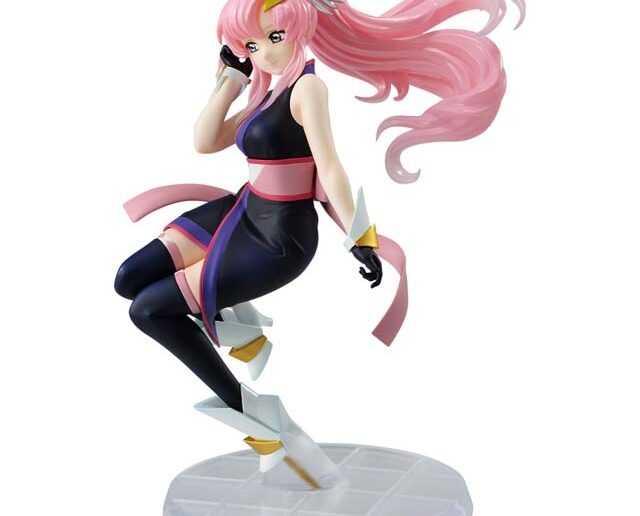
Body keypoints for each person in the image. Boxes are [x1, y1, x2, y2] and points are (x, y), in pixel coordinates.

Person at [115, 0, 524, 490]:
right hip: (241, 211)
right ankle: (239, 331)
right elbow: (205, 141)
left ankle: (259, 421)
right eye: (251, 44)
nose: (265, 53)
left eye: (274, 38)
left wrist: (360, 237)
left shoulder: (307, 88)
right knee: (128, 279)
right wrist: (231, 78)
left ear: (299, 29)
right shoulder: (267, 91)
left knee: (147, 310)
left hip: (278, 237)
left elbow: (329, 165)